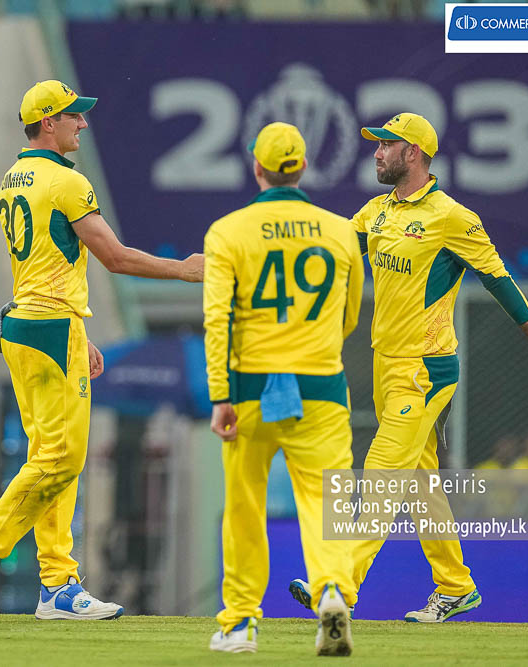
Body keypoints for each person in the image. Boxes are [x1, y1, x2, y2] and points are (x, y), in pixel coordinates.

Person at [289, 112, 528, 623]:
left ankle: (338, 586)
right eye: (377, 145)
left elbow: (498, 278)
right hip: (385, 365)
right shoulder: (376, 211)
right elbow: (332, 251)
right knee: (421, 484)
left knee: (381, 472)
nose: (377, 153)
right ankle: (456, 586)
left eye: (386, 145)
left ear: (413, 153)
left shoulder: (452, 217)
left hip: (424, 370)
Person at [0, 80, 203, 621]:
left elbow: (45, 263)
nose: (82, 123)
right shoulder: (67, 181)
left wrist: (79, 333)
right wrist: (182, 270)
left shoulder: (13, 177)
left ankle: (58, 584)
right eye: (72, 115)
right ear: (47, 122)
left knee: (50, 459)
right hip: (48, 328)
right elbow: (114, 257)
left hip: (27, 325)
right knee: (63, 458)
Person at [204, 123, 362, 656]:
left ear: (258, 168)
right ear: (303, 168)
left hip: (249, 390)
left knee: (244, 506)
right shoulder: (340, 231)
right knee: (324, 502)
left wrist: (220, 395)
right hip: (322, 388)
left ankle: (240, 624)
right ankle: (333, 591)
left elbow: (218, 321)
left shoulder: (227, 232)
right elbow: (349, 316)